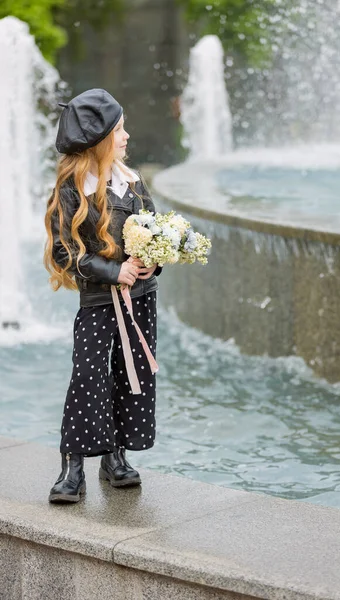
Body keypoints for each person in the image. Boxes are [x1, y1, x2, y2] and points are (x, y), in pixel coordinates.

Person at [44, 88, 163, 503]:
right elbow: (67, 251)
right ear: (97, 140)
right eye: (119, 129)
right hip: (98, 301)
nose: (127, 136)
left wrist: (152, 262)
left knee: (131, 376)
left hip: (141, 297)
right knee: (88, 376)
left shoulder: (131, 182)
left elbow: (154, 231)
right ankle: (72, 465)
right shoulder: (72, 188)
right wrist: (114, 271)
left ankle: (115, 456)